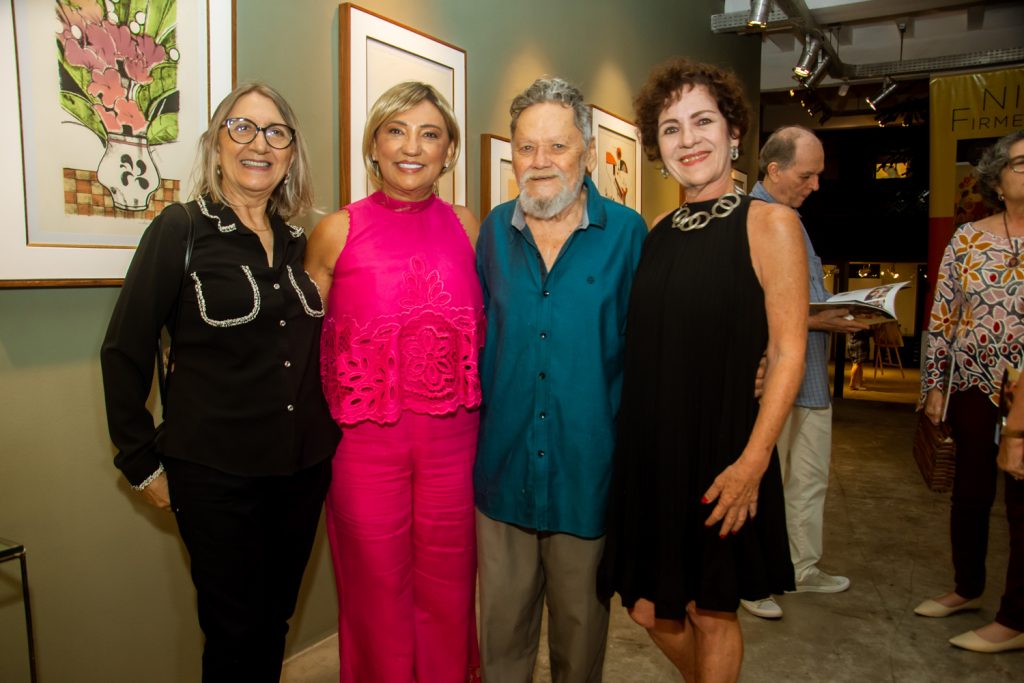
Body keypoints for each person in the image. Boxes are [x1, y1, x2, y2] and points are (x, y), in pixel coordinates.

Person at [101, 82, 339, 682]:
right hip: (215, 475)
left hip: (301, 470)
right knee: (233, 633)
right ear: (216, 144)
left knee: (274, 623)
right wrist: (142, 463)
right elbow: (123, 352)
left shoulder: (298, 244)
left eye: (276, 132)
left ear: (291, 154)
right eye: (243, 128)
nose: (260, 144)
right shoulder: (179, 231)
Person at [598, 58, 808, 683]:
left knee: (712, 611)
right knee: (645, 607)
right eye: (670, 128)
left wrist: (752, 464)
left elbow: (790, 350)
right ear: (656, 146)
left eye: (702, 122)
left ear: (734, 131)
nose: (688, 140)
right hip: (652, 449)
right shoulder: (657, 231)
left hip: (723, 448)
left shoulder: (771, 222)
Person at [305, 81, 483, 682]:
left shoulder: (468, 226)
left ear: (448, 151)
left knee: (450, 584)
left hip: (454, 442)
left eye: (430, 133)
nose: (413, 147)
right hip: (362, 446)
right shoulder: (336, 231)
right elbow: (296, 344)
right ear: (374, 145)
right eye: (396, 131)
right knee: (374, 586)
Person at [474, 77, 647, 683]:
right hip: (503, 477)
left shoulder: (628, 236)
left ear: (589, 151)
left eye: (557, 146)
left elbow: (652, 354)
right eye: (526, 147)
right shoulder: (492, 233)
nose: (540, 162)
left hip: (586, 477)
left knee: (580, 649)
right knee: (501, 646)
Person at [738, 125, 867, 621]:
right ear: (774, 171)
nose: (815, 186)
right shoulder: (754, 220)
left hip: (810, 377)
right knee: (760, 482)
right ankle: (752, 580)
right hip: (773, 380)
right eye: (806, 175)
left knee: (808, 479)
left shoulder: (793, 219)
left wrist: (848, 311)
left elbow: (797, 298)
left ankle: (800, 568)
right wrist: (821, 317)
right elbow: (750, 306)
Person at [914, 129, 1024, 654]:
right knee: (970, 490)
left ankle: (1015, 617)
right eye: (1021, 163)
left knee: (1023, 501)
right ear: (998, 179)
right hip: (974, 380)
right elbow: (942, 315)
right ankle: (968, 588)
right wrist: (935, 385)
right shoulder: (969, 238)